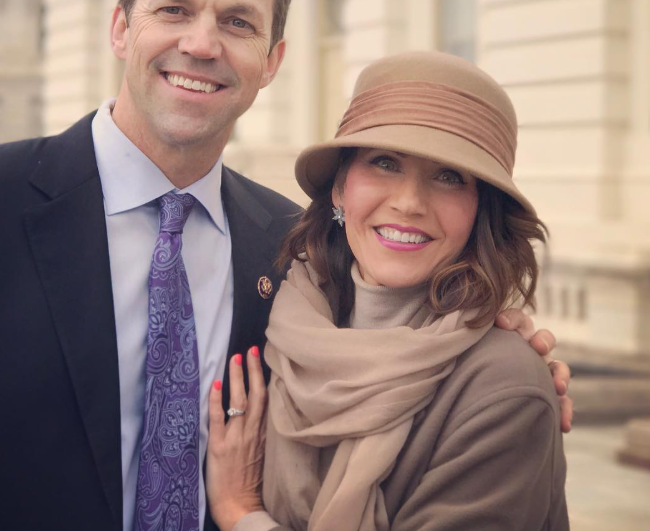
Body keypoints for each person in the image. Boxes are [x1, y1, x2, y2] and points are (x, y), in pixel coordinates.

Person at [0, 0, 568, 531]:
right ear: (122, 26)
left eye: (238, 22)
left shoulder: (290, 251)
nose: (203, 44)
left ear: (271, 59)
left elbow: (401, 333)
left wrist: (501, 337)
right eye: (174, 9)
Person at [207, 51, 569, 531]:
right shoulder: (285, 320)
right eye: (384, 163)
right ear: (340, 189)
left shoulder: (503, 388)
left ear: (482, 211)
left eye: (448, 176)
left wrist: (239, 514)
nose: (408, 202)